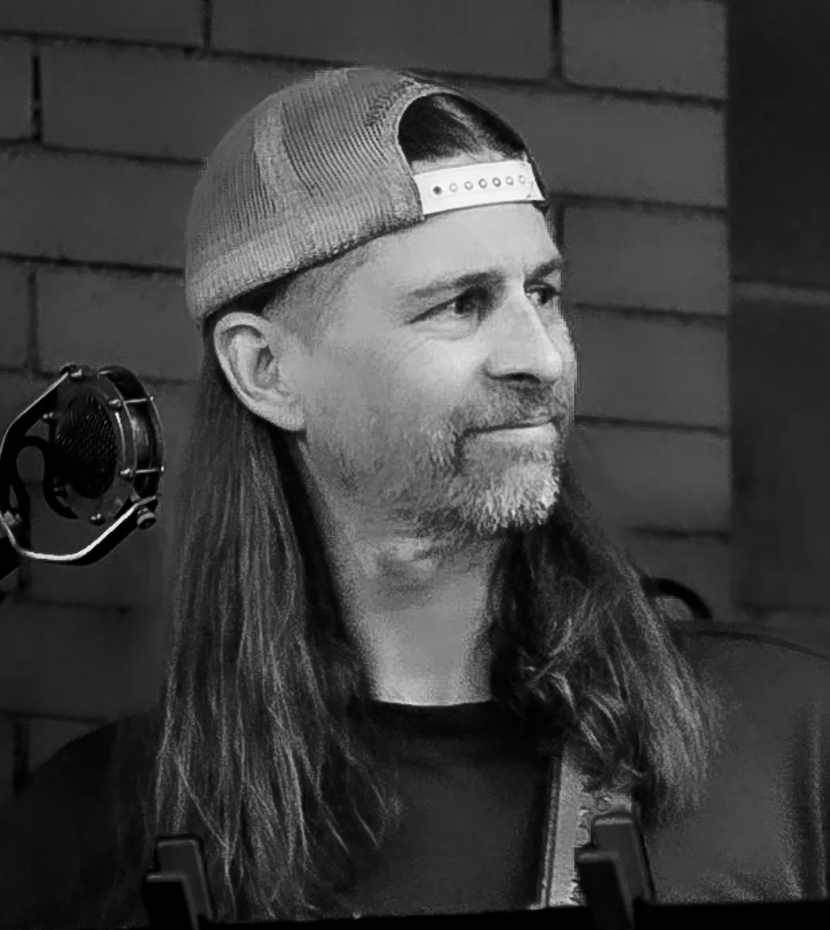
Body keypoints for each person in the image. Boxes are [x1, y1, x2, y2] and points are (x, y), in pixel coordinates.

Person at [1, 65, 830, 929]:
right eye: (461, 305)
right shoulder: (89, 836)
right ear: (267, 369)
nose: (542, 357)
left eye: (542, 294)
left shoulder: (786, 741)